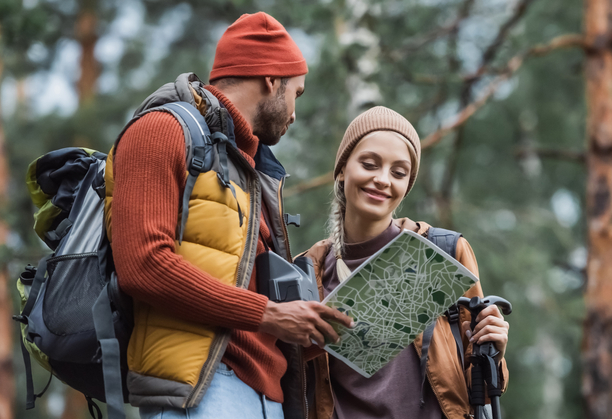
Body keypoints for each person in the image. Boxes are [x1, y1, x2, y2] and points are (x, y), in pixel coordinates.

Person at [106, 12, 352, 419]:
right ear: (271, 79)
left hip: (268, 399)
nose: (295, 113)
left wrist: (312, 328)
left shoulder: (252, 172)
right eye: (297, 93)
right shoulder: (159, 130)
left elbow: (252, 304)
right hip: (205, 393)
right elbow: (142, 265)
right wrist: (270, 314)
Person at [296, 107, 510, 419]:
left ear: (407, 185)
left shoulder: (444, 252)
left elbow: (482, 383)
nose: (382, 180)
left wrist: (494, 350)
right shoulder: (305, 273)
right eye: (369, 164)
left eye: (398, 173)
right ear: (342, 170)